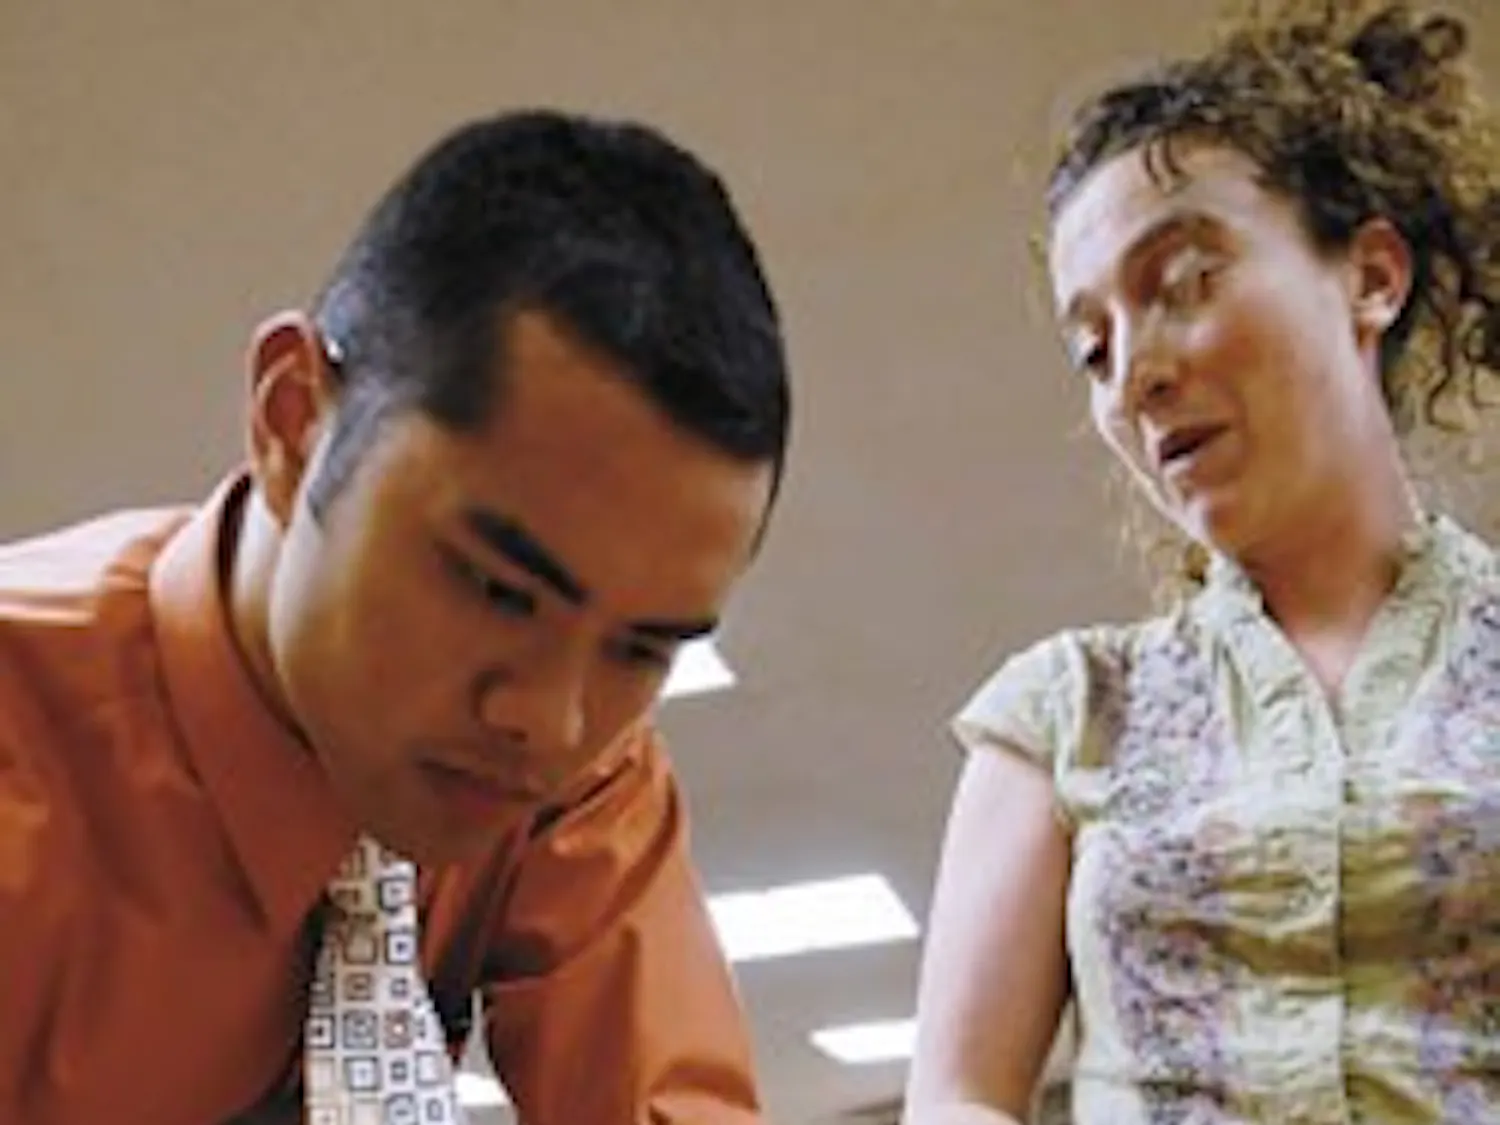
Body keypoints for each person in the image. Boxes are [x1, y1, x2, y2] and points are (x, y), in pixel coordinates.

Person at [0, 108, 790, 1124]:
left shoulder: (586, 777)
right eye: (499, 591)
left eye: (641, 648)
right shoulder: (26, 747)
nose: (550, 721)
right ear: (292, 421)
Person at [904, 2, 1500, 1123]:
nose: (1134, 374)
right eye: (1093, 347)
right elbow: (959, 1100)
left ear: (1372, 276)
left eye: (1182, 282)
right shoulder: (1066, 716)